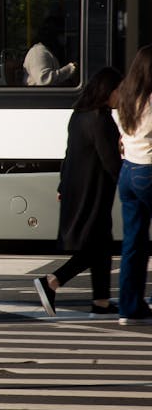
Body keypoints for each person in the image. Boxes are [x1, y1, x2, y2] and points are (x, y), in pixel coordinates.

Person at [33, 66, 123, 318]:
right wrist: (129, 182)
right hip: (92, 191)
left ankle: (101, 301)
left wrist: (63, 184)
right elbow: (110, 161)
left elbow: (68, 154)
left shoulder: (80, 114)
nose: (121, 97)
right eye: (119, 91)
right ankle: (52, 281)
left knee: (100, 244)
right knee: (95, 247)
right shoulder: (99, 119)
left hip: (78, 186)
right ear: (108, 91)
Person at [114, 45, 152, 325]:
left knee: (133, 243)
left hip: (128, 172)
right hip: (148, 171)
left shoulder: (126, 97)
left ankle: (129, 306)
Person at [24, 15, 78, 86]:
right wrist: (71, 68)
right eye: (61, 33)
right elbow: (44, 80)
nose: (65, 37)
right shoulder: (38, 52)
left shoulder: (49, 52)